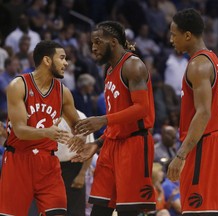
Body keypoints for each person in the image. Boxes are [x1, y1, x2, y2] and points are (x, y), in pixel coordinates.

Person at [71, 21, 156, 216]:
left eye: (98, 42)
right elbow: (118, 119)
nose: (93, 47)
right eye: (92, 43)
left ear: (114, 42)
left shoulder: (133, 65)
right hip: (111, 144)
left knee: (128, 212)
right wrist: (97, 144)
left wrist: (102, 120)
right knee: (99, 209)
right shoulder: (109, 70)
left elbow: (142, 109)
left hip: (134, 143)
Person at [0, 40, 85, 216]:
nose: (66, 63)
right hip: (18, 160)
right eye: (61, 58)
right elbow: (20, 131)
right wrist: (46, 132)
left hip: (48, 163)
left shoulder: (63, 92)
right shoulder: (19, 85)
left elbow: (78, 126)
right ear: (47, 60)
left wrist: (81, 136)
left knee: (58, 212)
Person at [166, 8, 218, 215]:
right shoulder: (213, 59)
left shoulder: (199, 65)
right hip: (215, 141)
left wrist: (180, 154)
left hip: (204, 144)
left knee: (198, 211)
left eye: (174, 34)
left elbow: (203, 113)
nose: (171, 39)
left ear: (187, 35)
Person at [55, 110, 94, 216]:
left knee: (75, 210)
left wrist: (82, 174)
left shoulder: (81, 116)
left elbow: (89, 149)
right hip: (51, 167)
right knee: (54, 209)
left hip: (74, 167)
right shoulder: (48, 114)